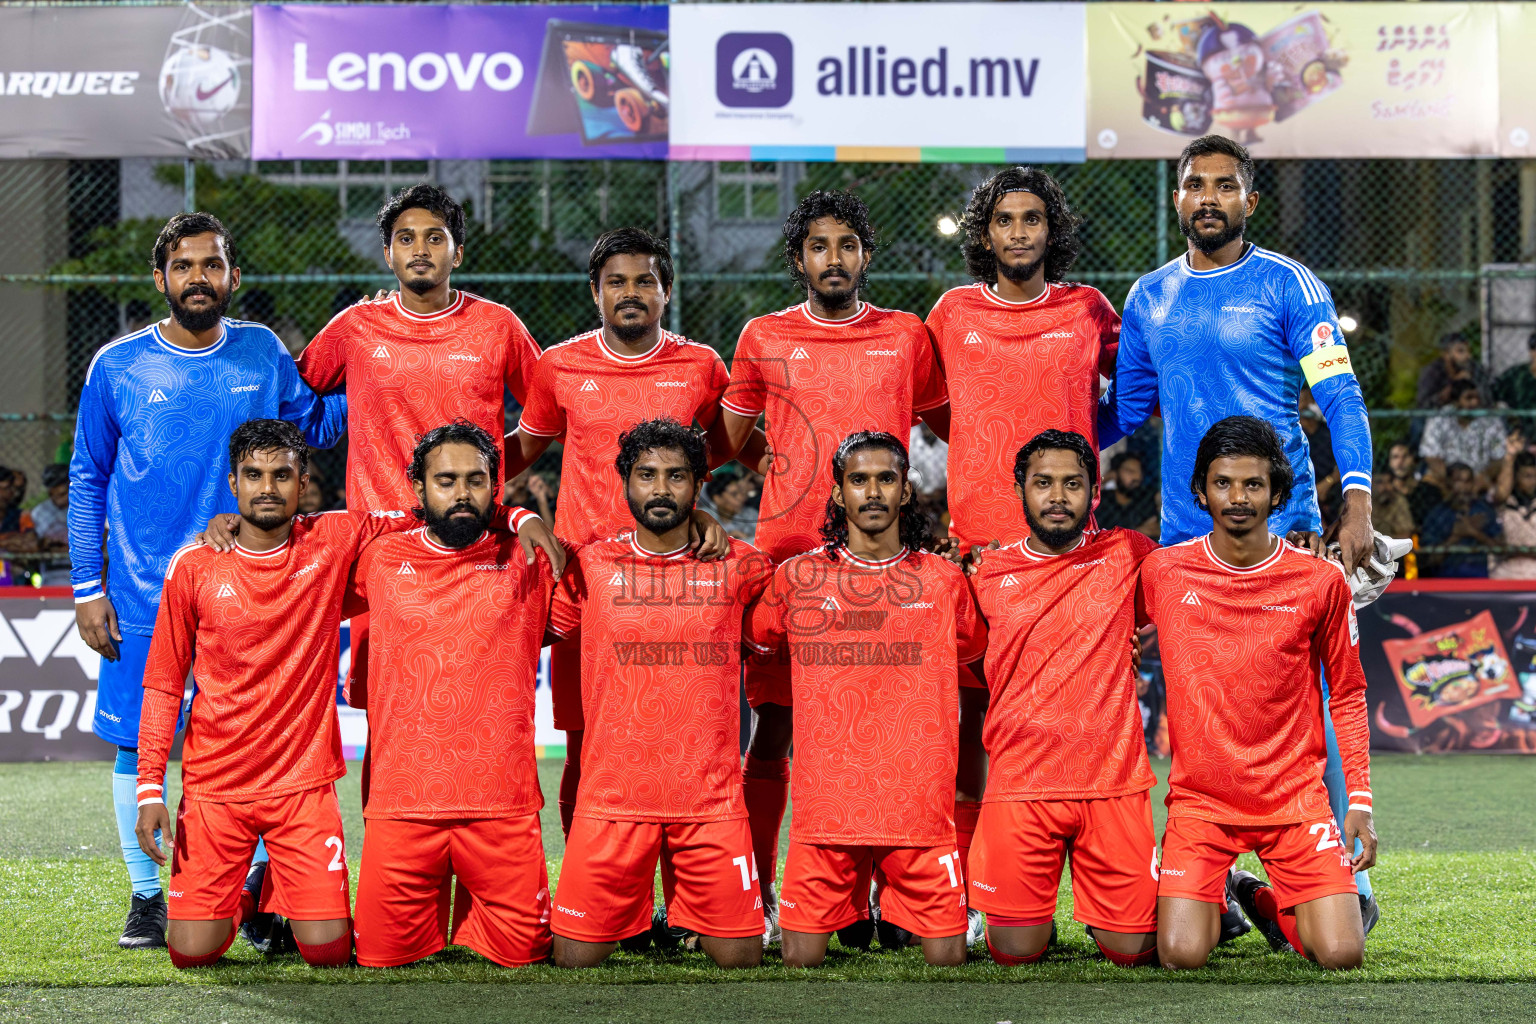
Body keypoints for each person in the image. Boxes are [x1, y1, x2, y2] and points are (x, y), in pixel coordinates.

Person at [1105, 134, 1379, 927]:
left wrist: (1355, 501)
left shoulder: (1289, 284)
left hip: (1284, 530)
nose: (1210, 198)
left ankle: (1342, 873)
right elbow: (1123, 416)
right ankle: (1217, 878)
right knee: (1197, 709)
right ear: (1178, 198)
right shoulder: (1148, 296)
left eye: (1226, 186)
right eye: (1196, 185)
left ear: (1249, 201)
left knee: (1312, 696)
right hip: (1185, 542)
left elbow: (1341, 398)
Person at [69, 212, 347, 950]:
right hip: (139, 594)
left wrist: (390, 372)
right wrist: (85, 587)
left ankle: (257, 894)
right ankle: (148, 896)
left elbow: (316, 426)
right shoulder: (117, 366)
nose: (200, 277)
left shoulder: (261, 351)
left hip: (249, 594)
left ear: (233, 277)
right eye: (185, 266)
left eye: (213, 265)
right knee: (139, 746)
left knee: (254, 741)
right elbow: (86, 477)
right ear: (160, 279)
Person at [707, 190, 950, 940]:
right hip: (793, 561)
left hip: (890, 563)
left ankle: (884, 905)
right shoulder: (763, 336)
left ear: (866, 255)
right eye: (819, 246)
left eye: (848, 244)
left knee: (891, 728)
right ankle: (759, 899)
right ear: (799, 259)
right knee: (773, 731)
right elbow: (734, 436)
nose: (834, 258)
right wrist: (786, 465)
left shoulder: (907, 336)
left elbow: (951, 426)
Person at [132, 420, 460, 969]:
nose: (267, 487)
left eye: (282, 475)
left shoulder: (331, 540)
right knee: (191, 954)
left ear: (303, 482)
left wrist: (515, 514)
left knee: (328, 953)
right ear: (232, 484)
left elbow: (433, 509)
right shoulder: (192, 567)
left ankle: (266, 885)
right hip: (216, 788)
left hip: (302, 788)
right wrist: (148, 791)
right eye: (253, 475)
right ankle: (244, 894)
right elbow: (165, 683)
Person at [926, 166, 1124, 896]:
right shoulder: (949, 314)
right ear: (985, 234)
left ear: (1052, 230)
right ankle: (969, 886)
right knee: (969, 717)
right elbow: (933, 408)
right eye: (1004, 220)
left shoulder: (1090, 310)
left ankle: (1116, 869)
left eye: (1032, 219)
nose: (1018, 233)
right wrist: (976, 453)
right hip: (978, 546)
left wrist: (1087, 434)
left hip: (1070, 555)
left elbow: (1133, 392)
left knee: (1073, 716)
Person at [503, 227, 730, 839]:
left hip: (675, 585)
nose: (631, 293)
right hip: (584, 587)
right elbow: (521, 449)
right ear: (595, 294)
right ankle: (585, 882)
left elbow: (720, 449)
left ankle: (677, 906)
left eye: (645, 281)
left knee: (676, 738)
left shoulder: (702, 366)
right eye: (616, 283)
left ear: (666, 293)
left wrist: (702, 510)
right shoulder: (560, 365)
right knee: (584, 743)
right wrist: (482, 501)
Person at [297, 184, 562, 707]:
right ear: (389, 252)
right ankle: (382, 796)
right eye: (406, 238)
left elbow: (549, 413)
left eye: (434, 238)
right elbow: (296, 396)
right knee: (387, 703)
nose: (420, 249)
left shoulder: (498, 325)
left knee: (472, 695)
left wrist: (494, 478)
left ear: (457, 252)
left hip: (473, 539)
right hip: (382, 546)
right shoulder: (355, 327)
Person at [743, 431, 987, 967]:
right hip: (825, 814)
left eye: (886, 479)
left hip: (920, 817)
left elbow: (975, 648)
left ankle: (886, 903)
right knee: (798, 959)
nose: (872, 492)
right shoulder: (798, 578)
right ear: (837, 494)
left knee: (947, 960)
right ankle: (854, 907)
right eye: (858, 480)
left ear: (905, 492)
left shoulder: (944, 582)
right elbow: (758, 637)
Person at [1142, 416, 1374, 971]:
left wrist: (1360, 803)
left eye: (1253, 485)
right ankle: (1221, 885)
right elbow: (1106, 626)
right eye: (1223, 483)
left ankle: (1257, 899)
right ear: (1200, 490)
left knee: (1341, 954)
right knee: (1181, 954)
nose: (1238, 498)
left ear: (1277, 493)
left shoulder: (1318, 582)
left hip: (1294, 800)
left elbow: (1346, 692)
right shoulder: (1163, 573)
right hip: (1203, 803)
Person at [547, 419, 772, 969]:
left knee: (740, 958)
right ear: (624, 482)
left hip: (709, 801)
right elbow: (533, 622)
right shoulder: (591, 566)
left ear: (699, 486)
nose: (661, 490)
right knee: (573, 960)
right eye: (646, 475)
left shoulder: (740, 566)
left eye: (677, 477)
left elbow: (788, 620)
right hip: (613, 800)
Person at [345, 421, 556, 968]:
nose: (462, 494)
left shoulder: (531, 560)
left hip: (502, 807)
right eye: (446, 481)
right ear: (417, 488)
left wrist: (523, 517)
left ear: (496, 485)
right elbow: (293, 545)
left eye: (476, 480)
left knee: (526, 957)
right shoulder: (380, 559)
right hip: (403, 806)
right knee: (378, 960)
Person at [965, 430, 1159, 968]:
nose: (1057, 496)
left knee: (1136, 953)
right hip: (1022, 782)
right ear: (1020, 490)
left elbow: (1194, 602)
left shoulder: (1129, 554)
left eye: (1072, 484)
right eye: (1043, 483)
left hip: (1111, 781)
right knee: (1013, 953)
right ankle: (1025, 912)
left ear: (1094, 492)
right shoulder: (985, 573)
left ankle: (1218, 893)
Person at [1419, 463, 1501, 578]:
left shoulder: (1484, 510)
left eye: (1468, 481)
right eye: (1458, 481)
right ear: (1448, 484)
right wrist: (1455, 536)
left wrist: (1475, 533)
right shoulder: (1437, 515)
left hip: (1482, 574)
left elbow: (1501, 550)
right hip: (1447, 577)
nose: (1464, 487)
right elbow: (1430, 560)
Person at [1420, 380, 1507, 488]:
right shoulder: (1438, 419)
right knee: (1429, 480)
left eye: (1477, 398)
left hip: (1480, 482)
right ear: (1455, 402)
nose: (1475, 403)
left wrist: (1480, 479)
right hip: (1446, 481)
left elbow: (1499, 459)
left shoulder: (1492, 421)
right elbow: (1432, 457)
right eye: (1469, 398)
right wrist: (1451, 482)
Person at [1492, 449, 1536, 579]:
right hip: (1505, 573)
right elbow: (1501, 493)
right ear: (1515, 476)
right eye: (1527, 476)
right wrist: (1510, 457)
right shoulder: (1503, 502)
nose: (1533, 482)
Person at [1095, 451, 1159, 538]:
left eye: (1140, 473)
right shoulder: (1102, 500)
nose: (1137, 477)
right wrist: (1105, 478)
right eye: (1130, 471)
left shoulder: (1149, 497)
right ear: (1115, 474)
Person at [1417, 332, 1488, 410]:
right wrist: (1454, 383)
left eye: (1469, 351)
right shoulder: (1433, 371)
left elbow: (1487, 396)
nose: (1467, 355)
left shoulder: (1473, 367)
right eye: (1460, 351)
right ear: (1446, 354)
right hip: (1436, 416)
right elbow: (1424, 403)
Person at [1492, 332, 1536, 439]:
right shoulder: (1517, 374)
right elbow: (1492, 394)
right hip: (1521, 435)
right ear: (1531, 351)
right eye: (1534, 349)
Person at [696, 471, 759, 543]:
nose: (741, 498)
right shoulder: (703, 516)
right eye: (734, 494)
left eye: (742, 493)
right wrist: (728, 537)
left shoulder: (751, 514)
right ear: (717, 498)